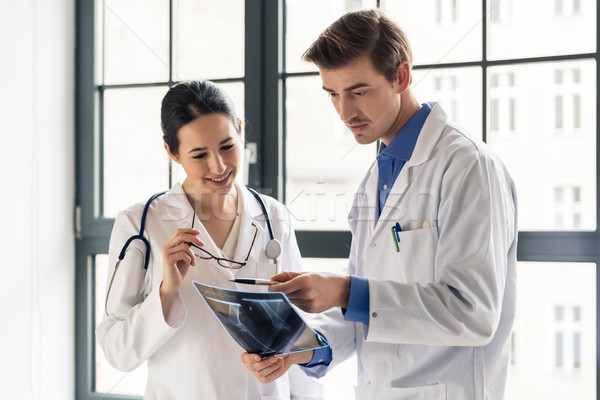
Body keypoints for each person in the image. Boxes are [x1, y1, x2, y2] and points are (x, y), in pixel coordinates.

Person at [242, 9, 518, 400]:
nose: (345, 112)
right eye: (333, 94)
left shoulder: (468, 165)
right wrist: (300, 349)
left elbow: (472, 312)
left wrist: (344, 291)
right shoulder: (380, 172)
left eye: (358, 91)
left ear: (401, 77)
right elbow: (364, 315)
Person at [96, 81, 323, 400]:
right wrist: (166, 291)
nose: (219, 166)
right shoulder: (140, 224)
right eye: (200, 154)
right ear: (172, 152)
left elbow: (298, 331)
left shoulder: (274, 217)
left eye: (227, 146)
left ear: (241, 130)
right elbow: (116, 350)